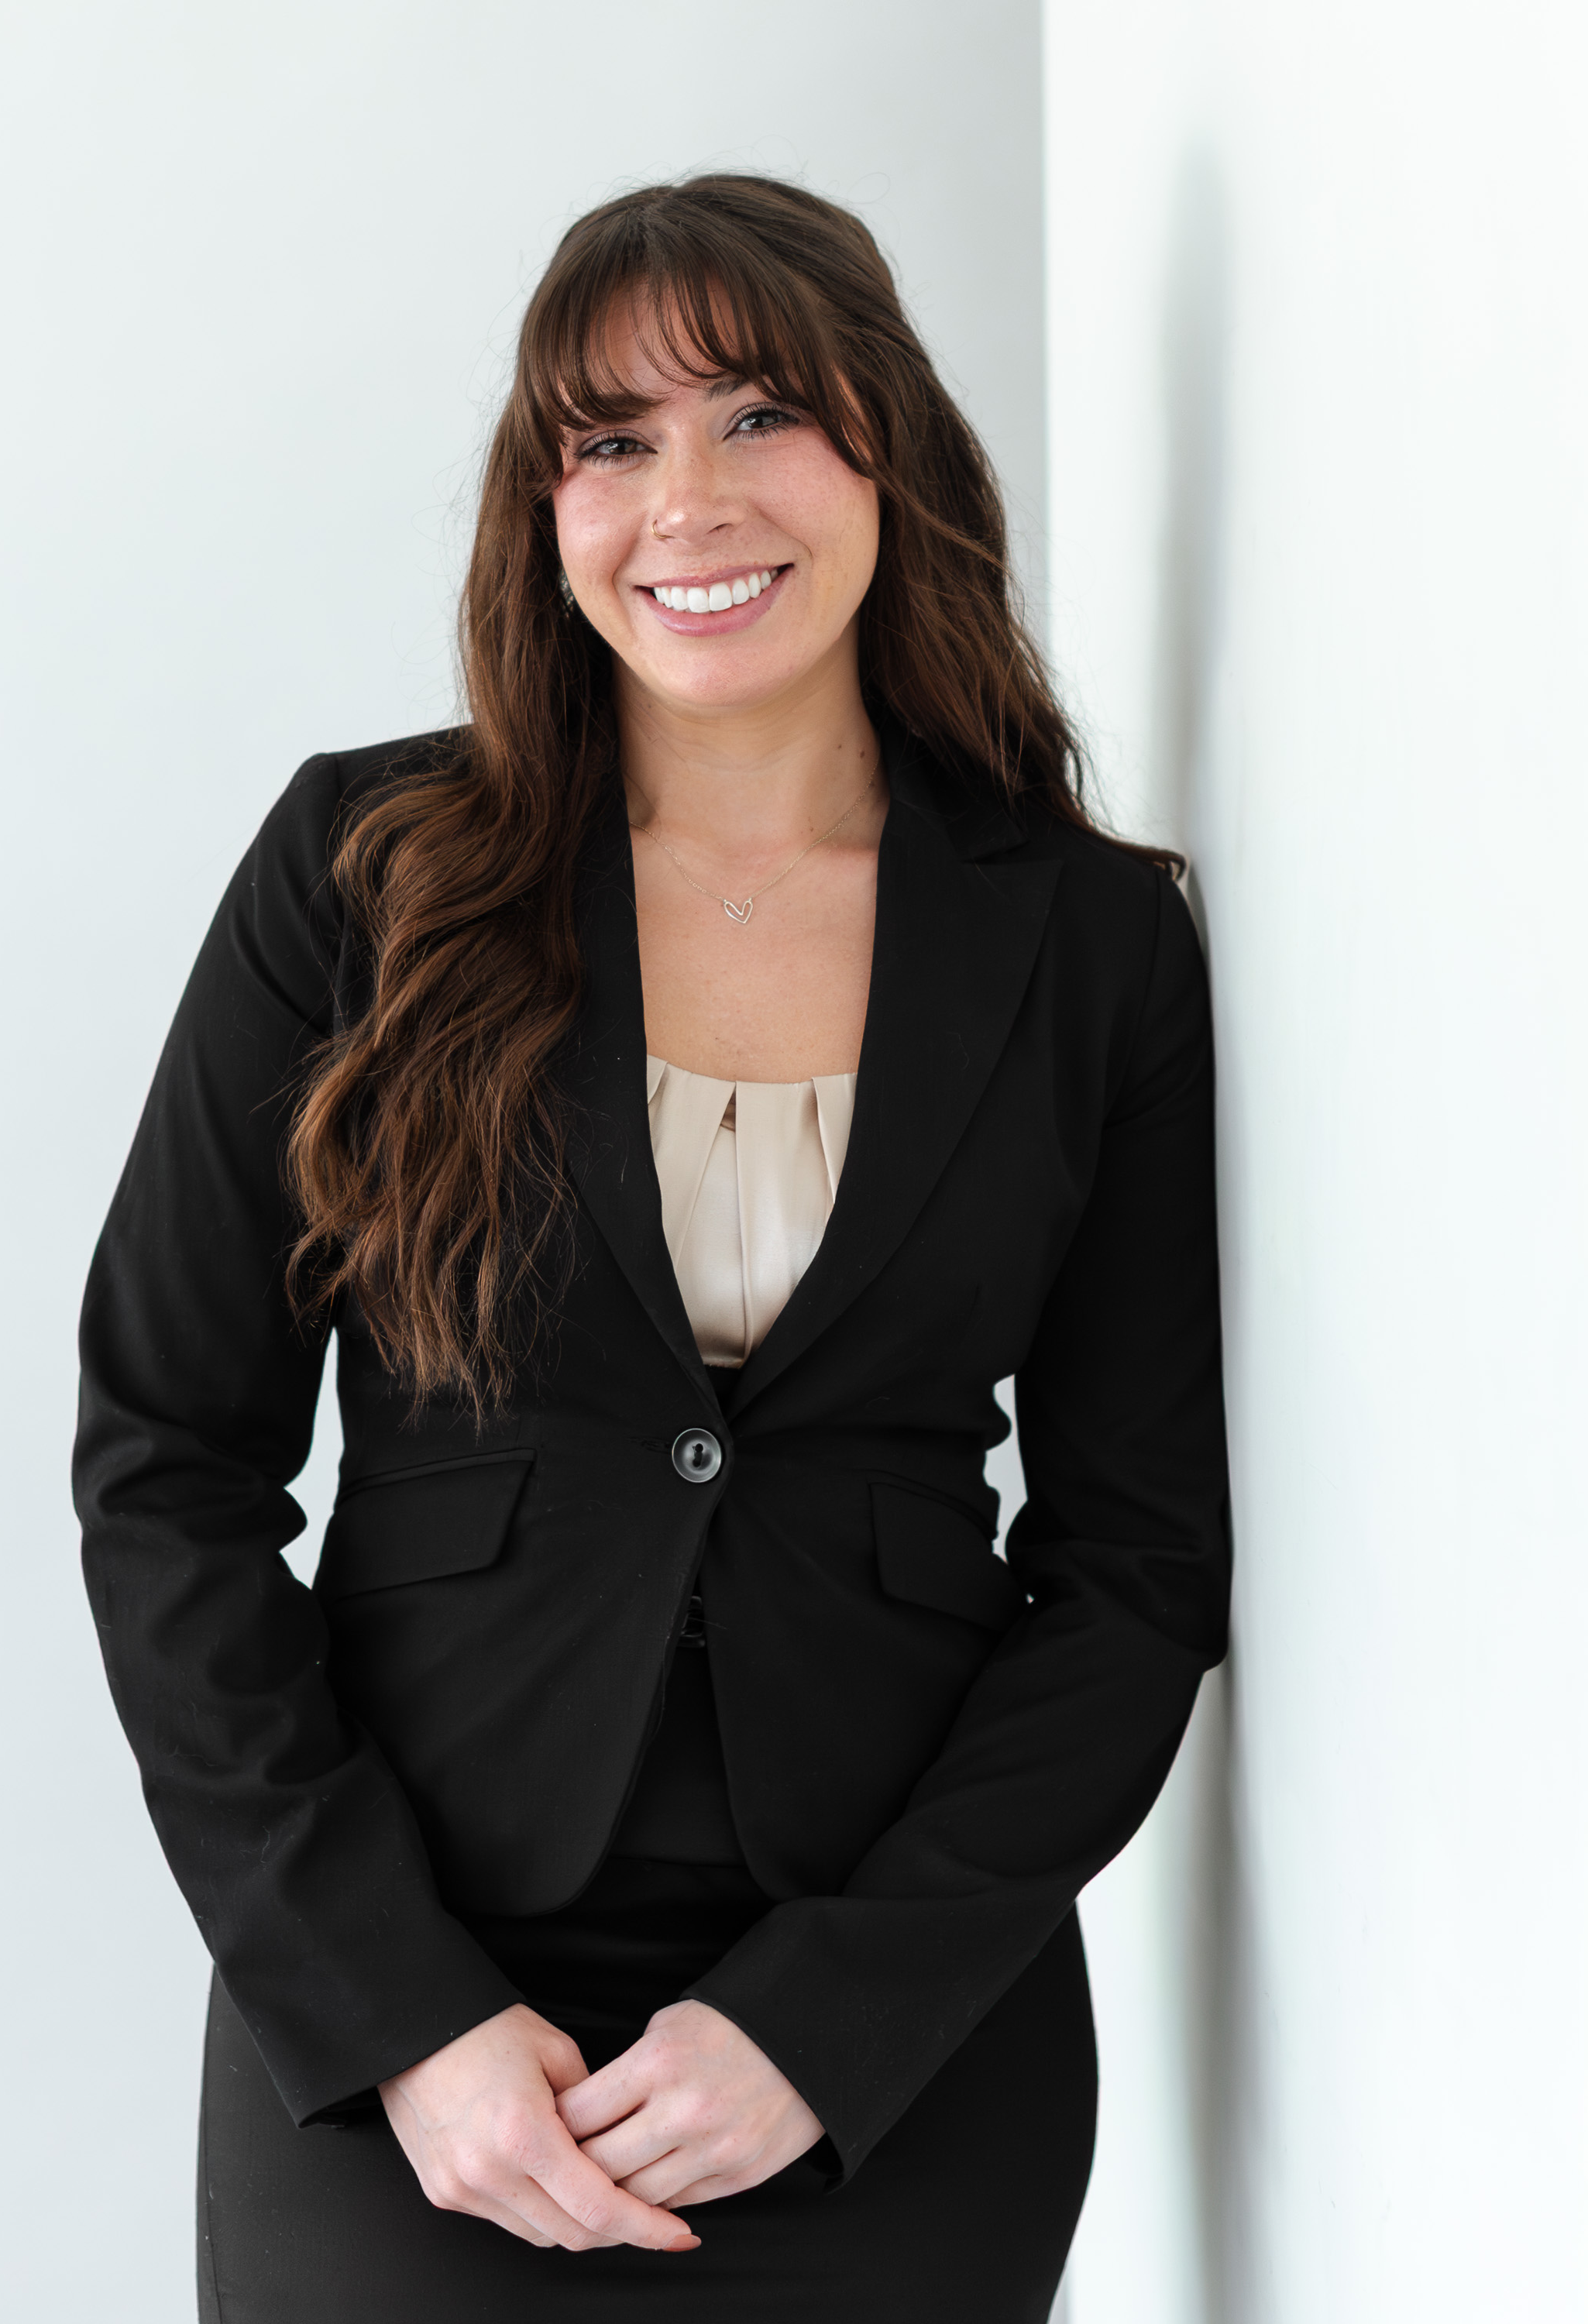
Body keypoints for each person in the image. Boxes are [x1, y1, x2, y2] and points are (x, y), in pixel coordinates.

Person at [74, 173, 1229, 2324]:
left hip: (893, 2035)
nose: (683, 499)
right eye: (607, 441)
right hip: (418, 2005)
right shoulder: (364, 872)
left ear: (891, 448)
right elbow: (167, 1462)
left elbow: (1141, 1561)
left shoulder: (1085, 948)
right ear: (545, 505)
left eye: (760, 415)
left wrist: (841, 2016)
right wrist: (391, 2009)